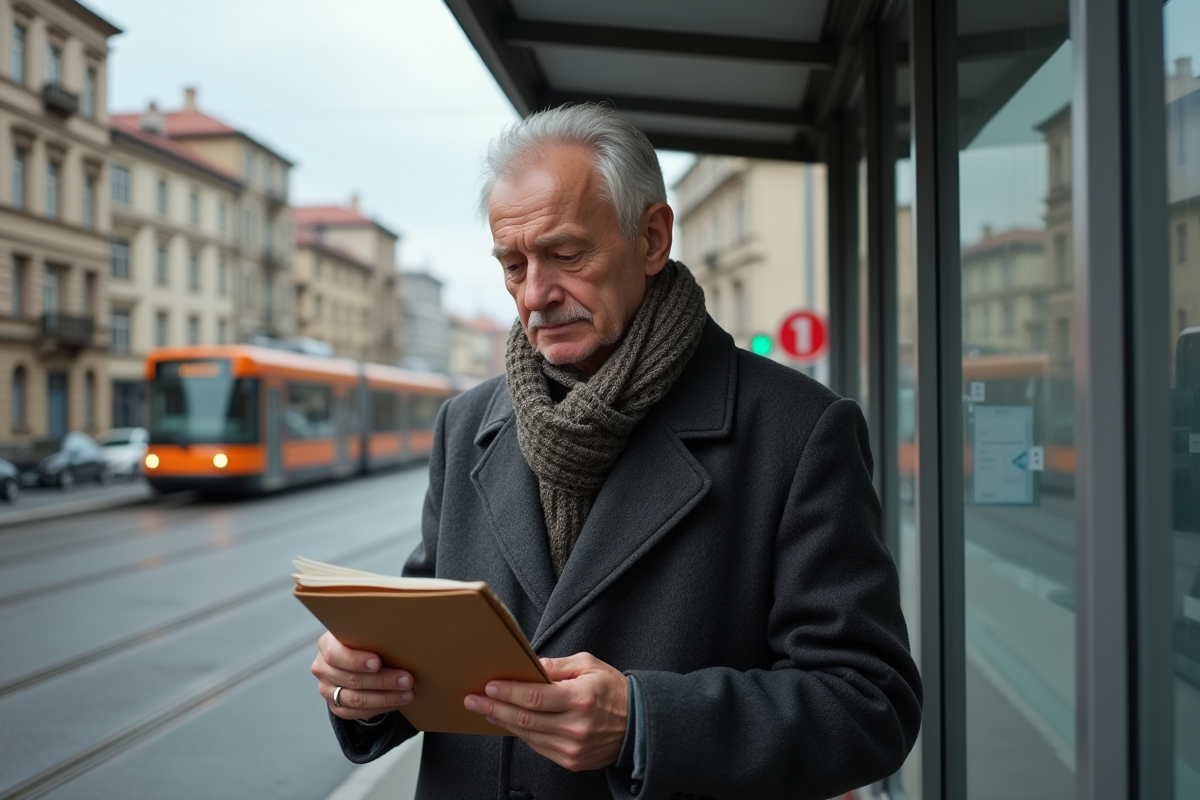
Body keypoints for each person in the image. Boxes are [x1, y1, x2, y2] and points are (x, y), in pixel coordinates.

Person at [311, 104, 922, 800]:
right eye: (513, 265)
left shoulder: (799, 429)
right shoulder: (465, 423)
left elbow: (870, 703)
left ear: (652, 238)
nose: (535, 294)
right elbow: (428, 650)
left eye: (566, 255)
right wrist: (363, 687)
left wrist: (644, 724)